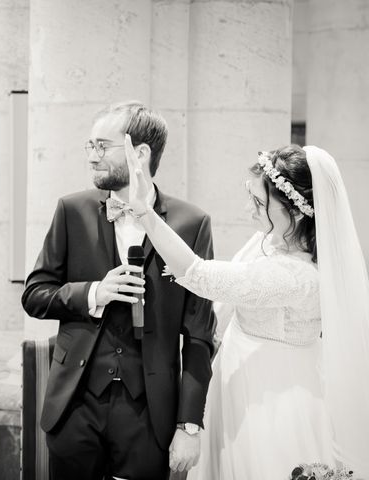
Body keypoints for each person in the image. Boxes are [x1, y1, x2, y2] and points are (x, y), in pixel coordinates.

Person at [124, 139, 369, 478]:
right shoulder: (273, 239)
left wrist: (145, 214)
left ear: (296, 211)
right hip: (239, 376)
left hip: (271, 396)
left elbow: (200, 274)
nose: (249, 210)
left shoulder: (297, 277)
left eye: (258, 202)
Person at [21, 101, 217, 479]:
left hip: (149, 412)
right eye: (89, 147)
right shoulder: (71, 210)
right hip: (74, 405)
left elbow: (199, 336)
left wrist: (188, 426)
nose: (92, 158)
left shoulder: (192, 224)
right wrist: (93, 292)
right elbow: (35, 294)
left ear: (139, 153)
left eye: (102, 146)